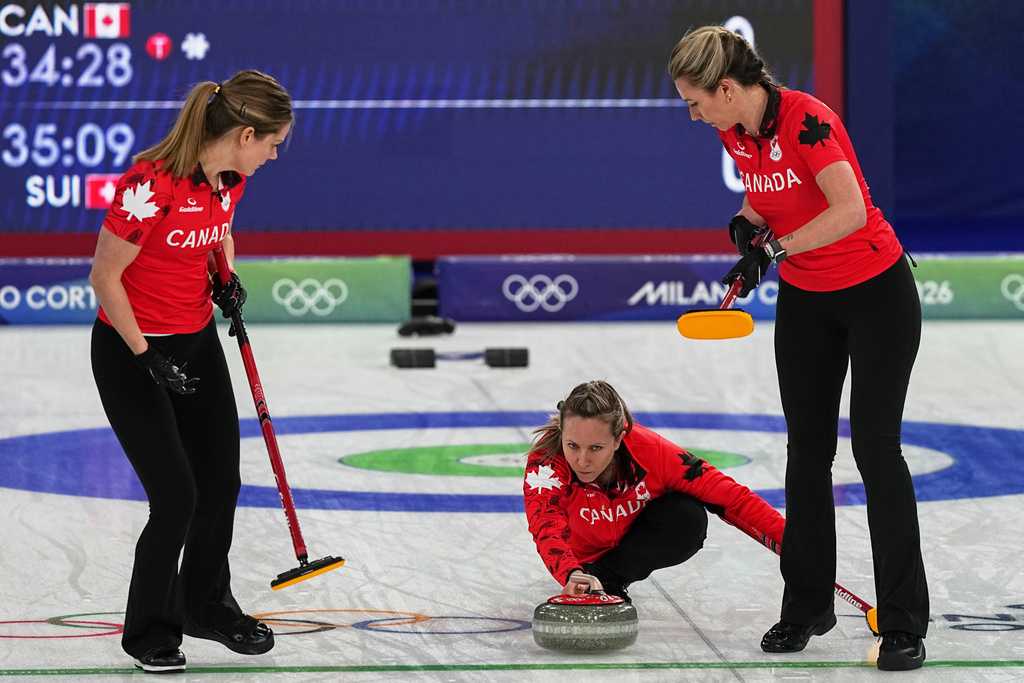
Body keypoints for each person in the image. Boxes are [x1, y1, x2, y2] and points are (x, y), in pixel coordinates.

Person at [667, 26, 928, 671]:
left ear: (727, 88)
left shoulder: (808, 120)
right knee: (806, 455)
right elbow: (775, 192)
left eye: (695, 101)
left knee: (875, 448)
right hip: (808, 303)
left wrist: (776, 250)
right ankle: (806, 606)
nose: (693, 115)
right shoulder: (739, 132)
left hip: (876, 296)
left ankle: (902, 622)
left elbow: (847, 212)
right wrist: (750, 228)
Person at [89, 70, 292, 673]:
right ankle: (150, 631)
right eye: (273, 143)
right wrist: (145, 355)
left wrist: (225, 279)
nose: (275, 155)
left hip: (196, 342)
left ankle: (207, 605)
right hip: (132, 354)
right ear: (245, 133)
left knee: (220, 484)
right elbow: (105, 277)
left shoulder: (229, 179)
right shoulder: (148, 186)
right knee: (176, 497)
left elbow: (217, 234)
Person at [523, 380, 785, 606]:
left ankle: (609, 577)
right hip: (576, 558)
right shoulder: (546, 463)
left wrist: (802, 551)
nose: (581, 460)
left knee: (687, 517)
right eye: (572, 445)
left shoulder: (653, 452)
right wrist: (570, 573)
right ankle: (594, 575)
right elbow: (545, 525)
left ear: (619, 438)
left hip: (628, 547)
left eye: (595, 448)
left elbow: (732, 499)